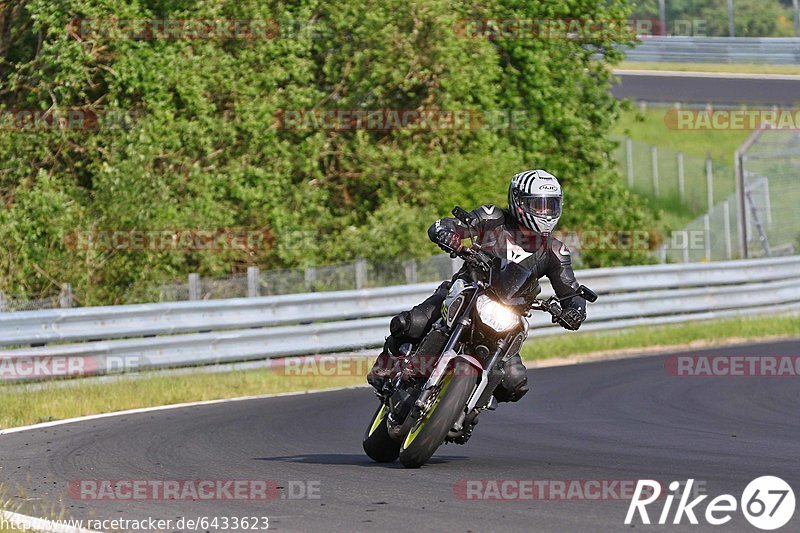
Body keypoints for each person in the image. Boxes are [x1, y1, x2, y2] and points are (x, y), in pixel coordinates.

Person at [367, 169, 587, 402]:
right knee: (410, 323)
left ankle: (469, 408)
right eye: (539, 205)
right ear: (519, 201)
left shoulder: (555, 250)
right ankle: (384, 367)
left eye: (550, 206)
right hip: (467, 290)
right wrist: (447, 233)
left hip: (507, 315)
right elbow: (451, 225)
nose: (545, 212)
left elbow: (570, 289)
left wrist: (575, 310)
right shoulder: (492, 218)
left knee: (514, 382)